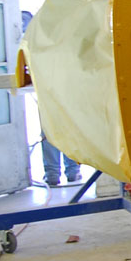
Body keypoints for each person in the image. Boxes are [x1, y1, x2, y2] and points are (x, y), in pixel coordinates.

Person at [22, 10, 81, 186]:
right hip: (66, 89)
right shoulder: (68, 34)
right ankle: (71, 172)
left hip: (49, 89)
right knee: (68, 129)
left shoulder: (37, 37)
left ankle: (54, 174)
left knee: (50, 131)